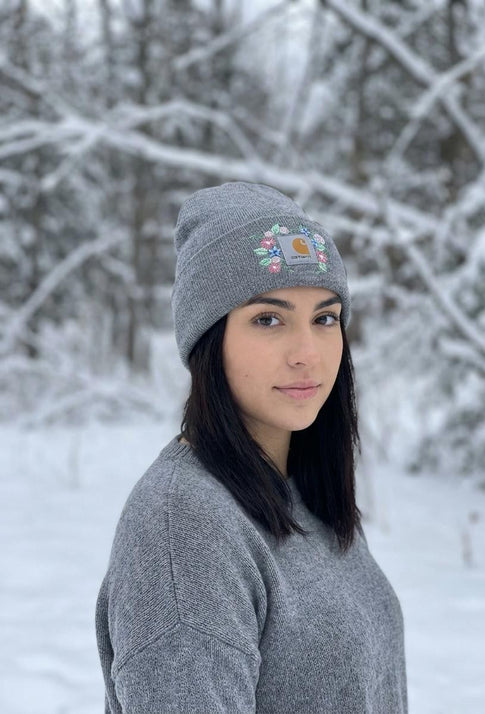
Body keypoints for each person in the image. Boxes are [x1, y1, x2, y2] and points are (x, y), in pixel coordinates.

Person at [95, 181, 408, 713]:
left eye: (324, 318)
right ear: (208, 339)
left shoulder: (302, 489)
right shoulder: (184, 527)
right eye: (268, 319)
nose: (307, 353)